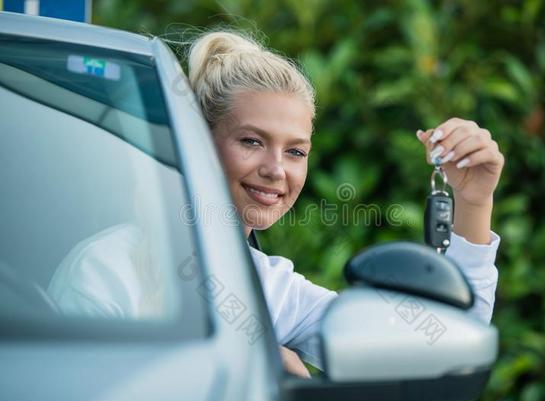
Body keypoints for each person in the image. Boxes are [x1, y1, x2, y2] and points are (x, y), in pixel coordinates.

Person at [187, 31, 504, 378]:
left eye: (295, 151)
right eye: (251, 140)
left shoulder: (272, 289)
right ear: (198, 139)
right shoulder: (129, 257)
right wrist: (252, 356)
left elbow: (442, 354)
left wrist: (474, 202)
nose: (276, 169)